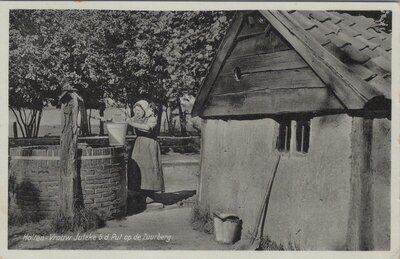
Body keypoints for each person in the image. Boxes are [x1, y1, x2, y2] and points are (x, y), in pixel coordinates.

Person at [126, 100, 164, 203]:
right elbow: (124, 120)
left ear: (144, 109)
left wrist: (131, 123)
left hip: (149, 145)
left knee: (148, 168)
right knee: (136, 168)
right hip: (138, 145)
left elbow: (147, 128)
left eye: (138, 110)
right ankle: (139, 193)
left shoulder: (151, 118)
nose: (136, 113)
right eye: (135, 111)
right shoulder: (137, 118)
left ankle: (149, 193)